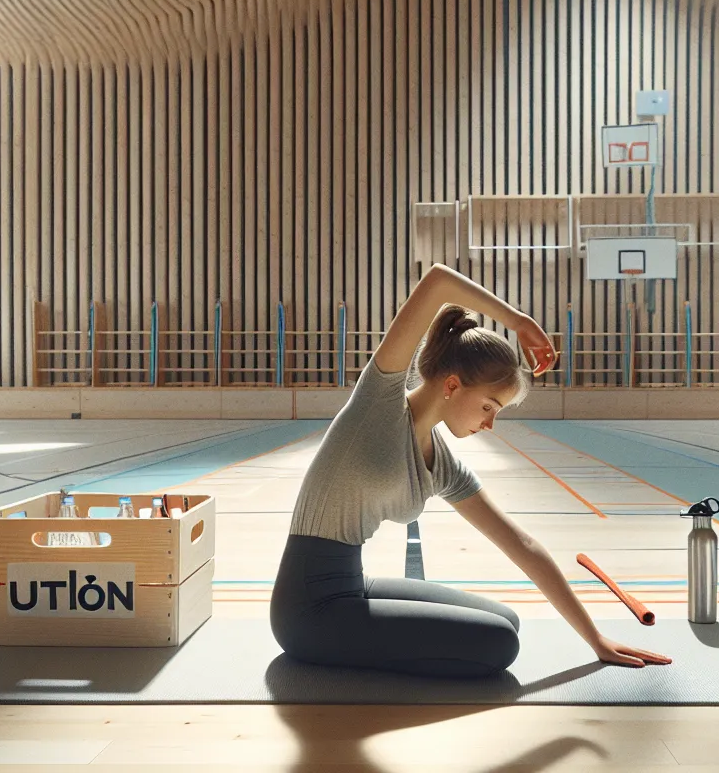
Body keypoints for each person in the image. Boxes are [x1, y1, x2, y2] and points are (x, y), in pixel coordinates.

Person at [269, 262, 673, 678]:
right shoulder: (378, 404)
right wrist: (517, 321)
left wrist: (595, 639)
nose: (490, 424)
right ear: (451, 385)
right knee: (497, 643)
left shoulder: (441, 463)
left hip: (353, 587)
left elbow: (521, 544)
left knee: (506, 623)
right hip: (307, 610)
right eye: (488, 407)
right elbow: (438, 281)